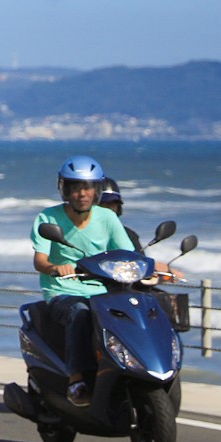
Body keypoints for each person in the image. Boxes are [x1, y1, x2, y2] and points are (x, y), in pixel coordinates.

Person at [31, 155, 135, 408]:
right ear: (64, 189)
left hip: (101, 290)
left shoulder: (107, 219)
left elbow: (128, 254)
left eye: (87, 187)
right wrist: (56, 268)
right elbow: (40, 261)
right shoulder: (48, 219)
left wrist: (147, 269)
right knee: (79, 313)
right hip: (63, 291)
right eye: (75, 187)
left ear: (96, 190)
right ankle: (76, 380)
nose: (82, 194)